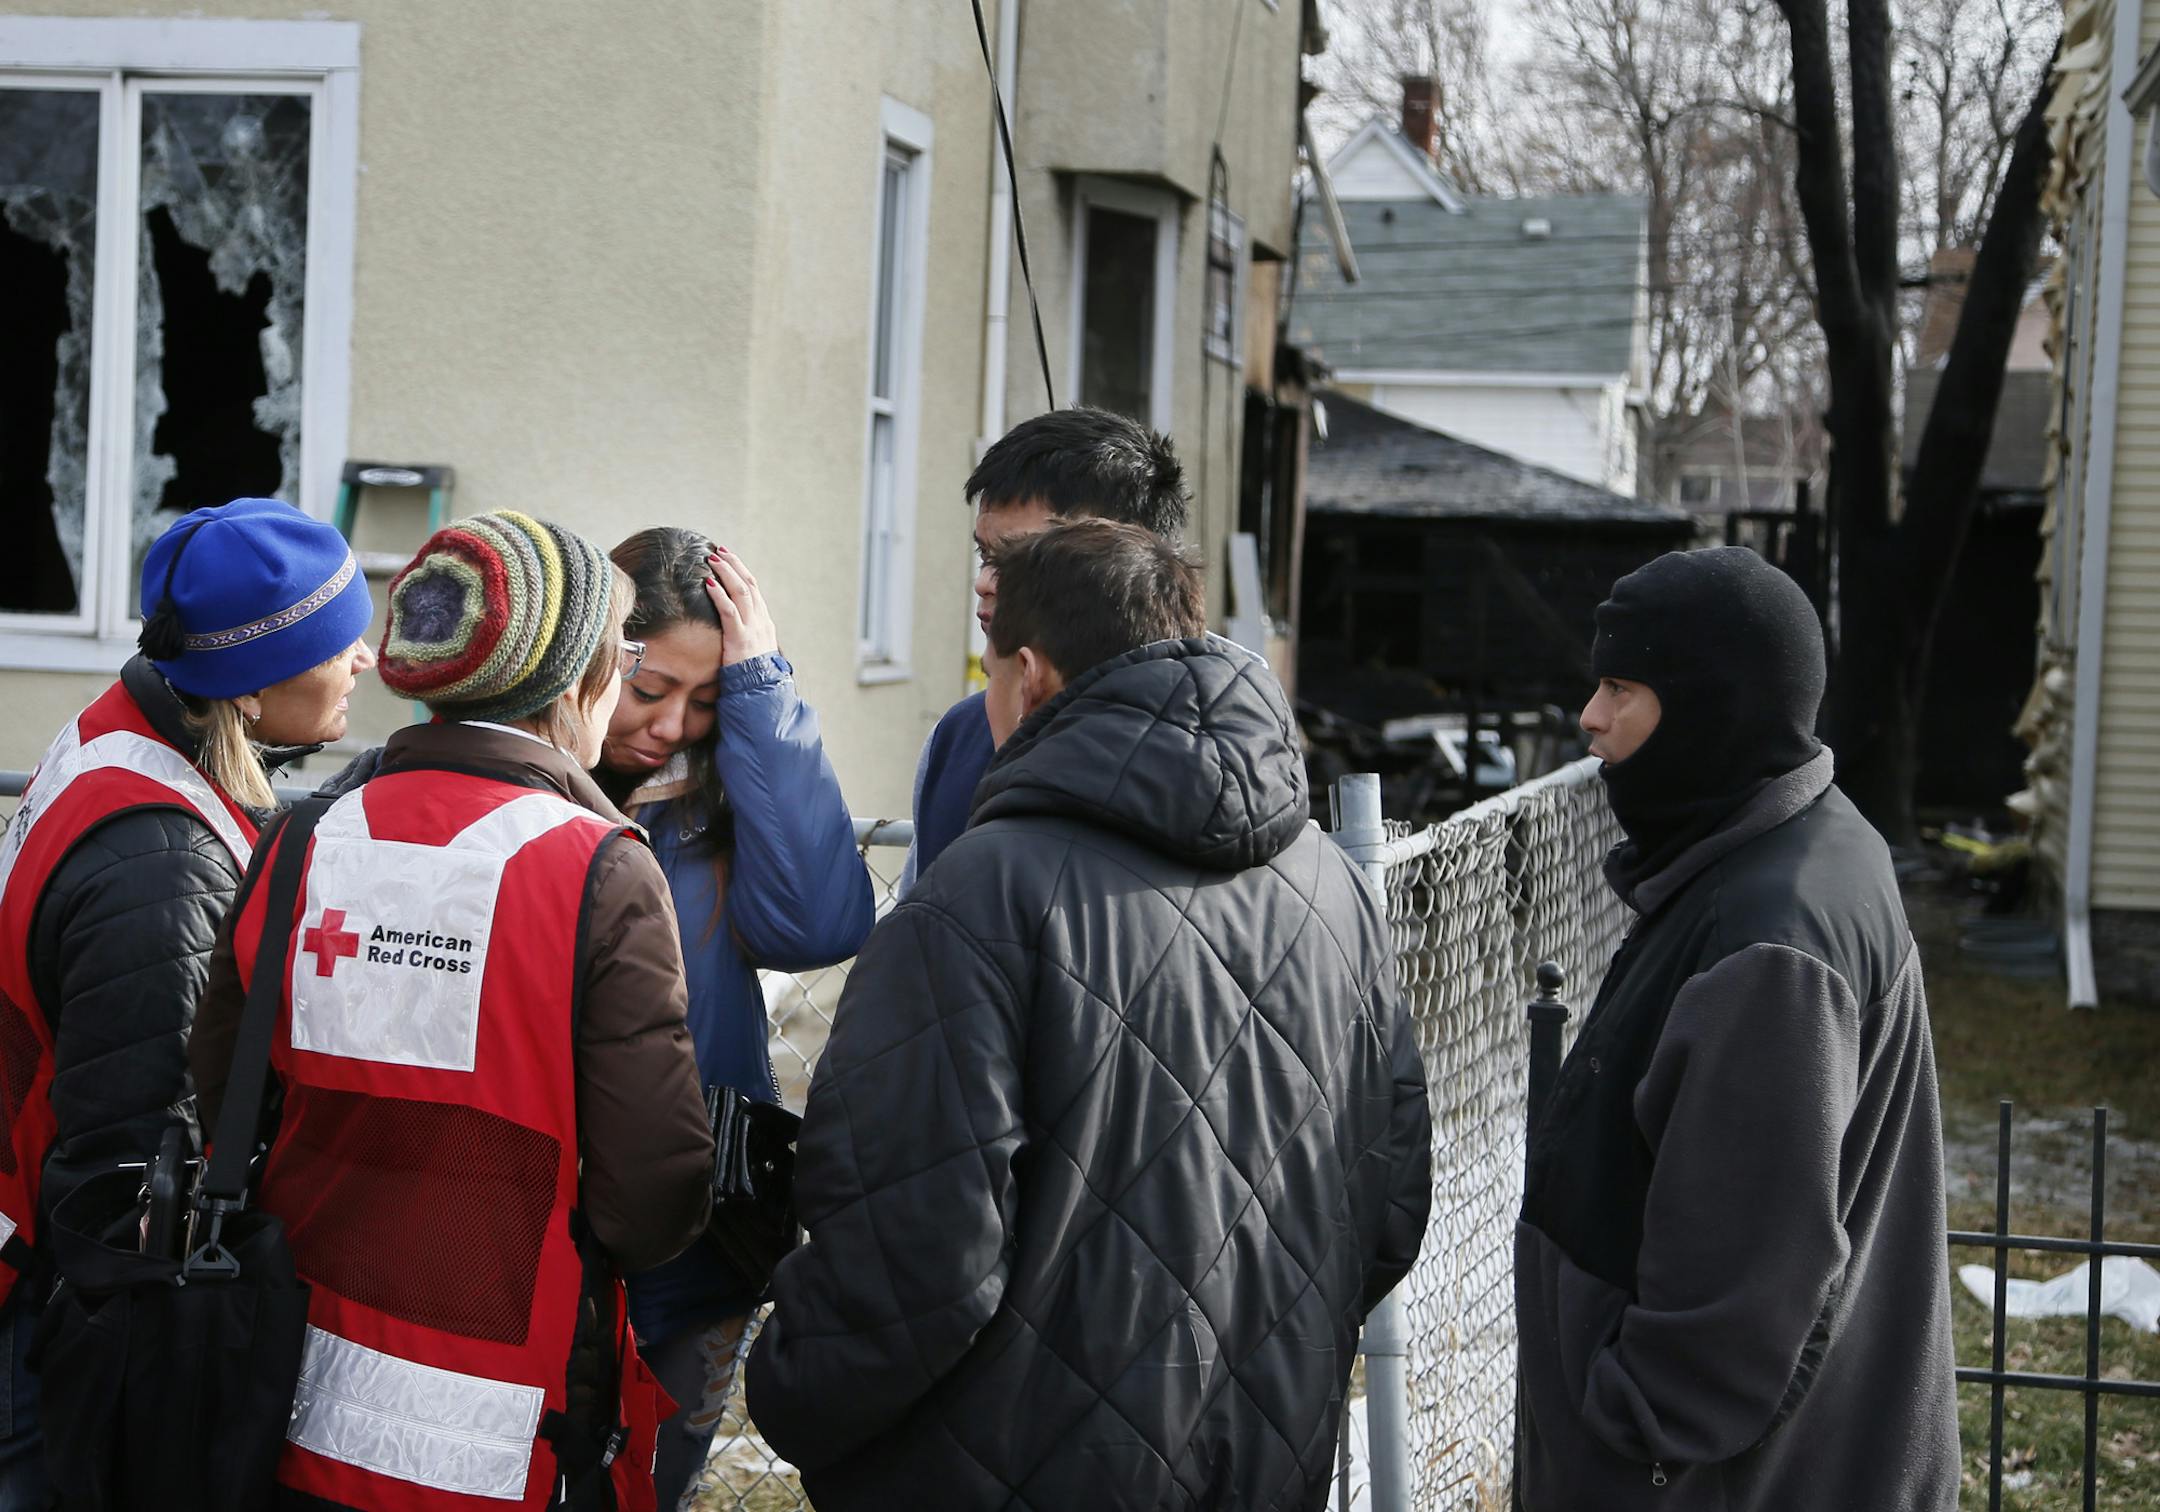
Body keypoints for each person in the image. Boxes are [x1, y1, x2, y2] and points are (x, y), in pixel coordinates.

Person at [747, 520, 1434, 1511]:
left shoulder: (980, 897)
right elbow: (1389, 1195)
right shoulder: (1329, 883)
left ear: (1030, 675)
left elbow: (915, 1250)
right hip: (1262, 1454)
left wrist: (788, 1389)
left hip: (1006, 1469)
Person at [190, 510, 715, 1512]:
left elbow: (222, 1092)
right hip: (504, 1431)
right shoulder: (597, 868)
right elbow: (650, 1195)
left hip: (288, 1388)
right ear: (576, 681)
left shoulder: (305, 838)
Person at [1515, 547, 1958, 1510]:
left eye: (1620, 687)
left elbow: (1744, 1298)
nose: (1589, 717)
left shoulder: (1771, 940)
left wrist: (1627, 1445)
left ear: (1713, 710)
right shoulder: (1787, 848)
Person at [0, 497, 373, 1509]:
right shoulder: (162, 861)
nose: (366, 660)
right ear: (251, 686)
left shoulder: (121, 735)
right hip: (42, 1306)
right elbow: (131, 1174)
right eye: (339, 642)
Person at [595, 527, 874, 1509]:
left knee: (657, 1491)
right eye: (649, 688)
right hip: (563, 1236)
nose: (671, 725)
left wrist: (763, 693)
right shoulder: (540, 803)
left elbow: (819, 922)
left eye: (705, 699)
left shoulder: (714, 815)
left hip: (709, 1232)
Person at [902, 406, 1189, 890]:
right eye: (985, 555)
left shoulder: (1217, 749)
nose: (984, 582)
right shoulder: (957, 738)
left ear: (1127, 564)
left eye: (1021, 559)